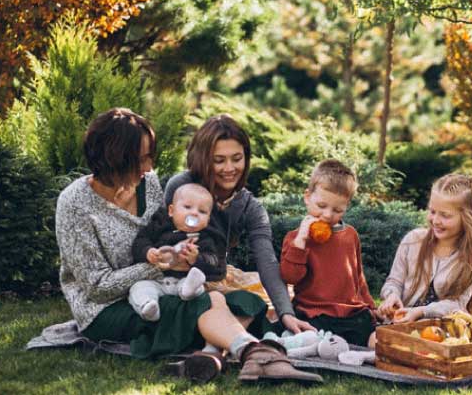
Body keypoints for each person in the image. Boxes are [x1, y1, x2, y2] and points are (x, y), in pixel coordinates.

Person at [56, 108, 320, 383]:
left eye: (150, 157)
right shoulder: (75, 203)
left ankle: (212, 355)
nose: (149, 167)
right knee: (206, 303)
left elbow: (172, 238)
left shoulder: (150, 185)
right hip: (106, 309)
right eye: (142, 159)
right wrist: (159, 265)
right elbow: (97, 288)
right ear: (115, 158)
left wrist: (184, 261)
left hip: (166, 291)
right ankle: (256, 354)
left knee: (246, 300)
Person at [165, 114, 321, 381]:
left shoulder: (249, 206)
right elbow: (161, 237)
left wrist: (286, 314)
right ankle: (242, 353)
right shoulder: (183, 188)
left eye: (237, 159)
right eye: (219, 160)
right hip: (181, 279)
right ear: (203, 159)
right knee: (230, 302)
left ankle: (212, 354)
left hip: (219, 275)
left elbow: (267, 261)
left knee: (260, 299)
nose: (229, 168)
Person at [279, 160, 377, 347]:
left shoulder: (350, 235)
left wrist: (371, 306)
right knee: (311, 330)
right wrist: (301, 243)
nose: (327, 215)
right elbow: (290, 277)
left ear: (346, 206)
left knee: (369, 332)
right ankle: (312, 342)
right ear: (307, 197)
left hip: (350, 313)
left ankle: (329, 344)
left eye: (337, 210)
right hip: (313, 312)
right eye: (321, 205)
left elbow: (358, 277)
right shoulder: (295, 238)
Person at [376, 173, 472, 324]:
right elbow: (394, 282)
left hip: (441, 329)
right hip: (399, 324)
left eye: (445, 215)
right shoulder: (413, 241)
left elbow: (457, 305)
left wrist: (421, 312)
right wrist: (391, 295)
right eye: (432, 211)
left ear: (468, 218)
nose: (435, 220)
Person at [128, 183, 217, 323]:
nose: (194, 213)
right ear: (171, 211)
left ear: (208, 220)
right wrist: (148, 252)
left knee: (195, 284)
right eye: (187, 207)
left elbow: (213, 261)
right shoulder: (159, 226)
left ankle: (190, 291)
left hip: (183, 280)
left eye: (202, 212)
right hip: (155, 279)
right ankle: (148, 306)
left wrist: (196, 259)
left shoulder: (204, 238)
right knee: (139, 288)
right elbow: (140, 241)